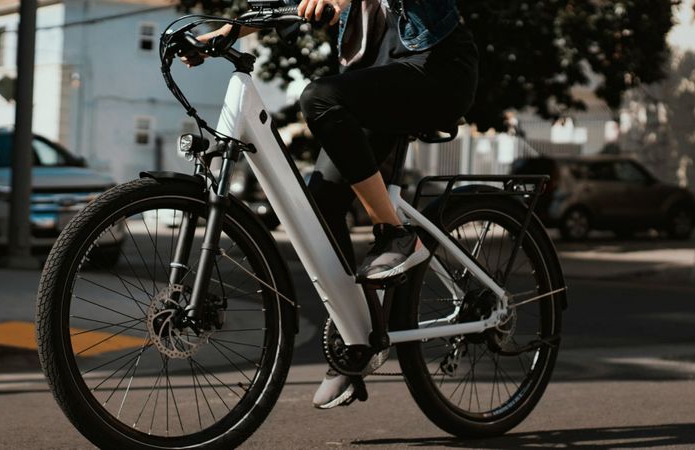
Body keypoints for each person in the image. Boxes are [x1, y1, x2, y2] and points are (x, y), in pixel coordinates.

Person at [188, 0, 478, 409]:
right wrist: (227, 31)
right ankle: (356, 338)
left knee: (319, 97)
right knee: (320, 204)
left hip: (437, 71)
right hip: (376, 82)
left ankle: (396, 233)